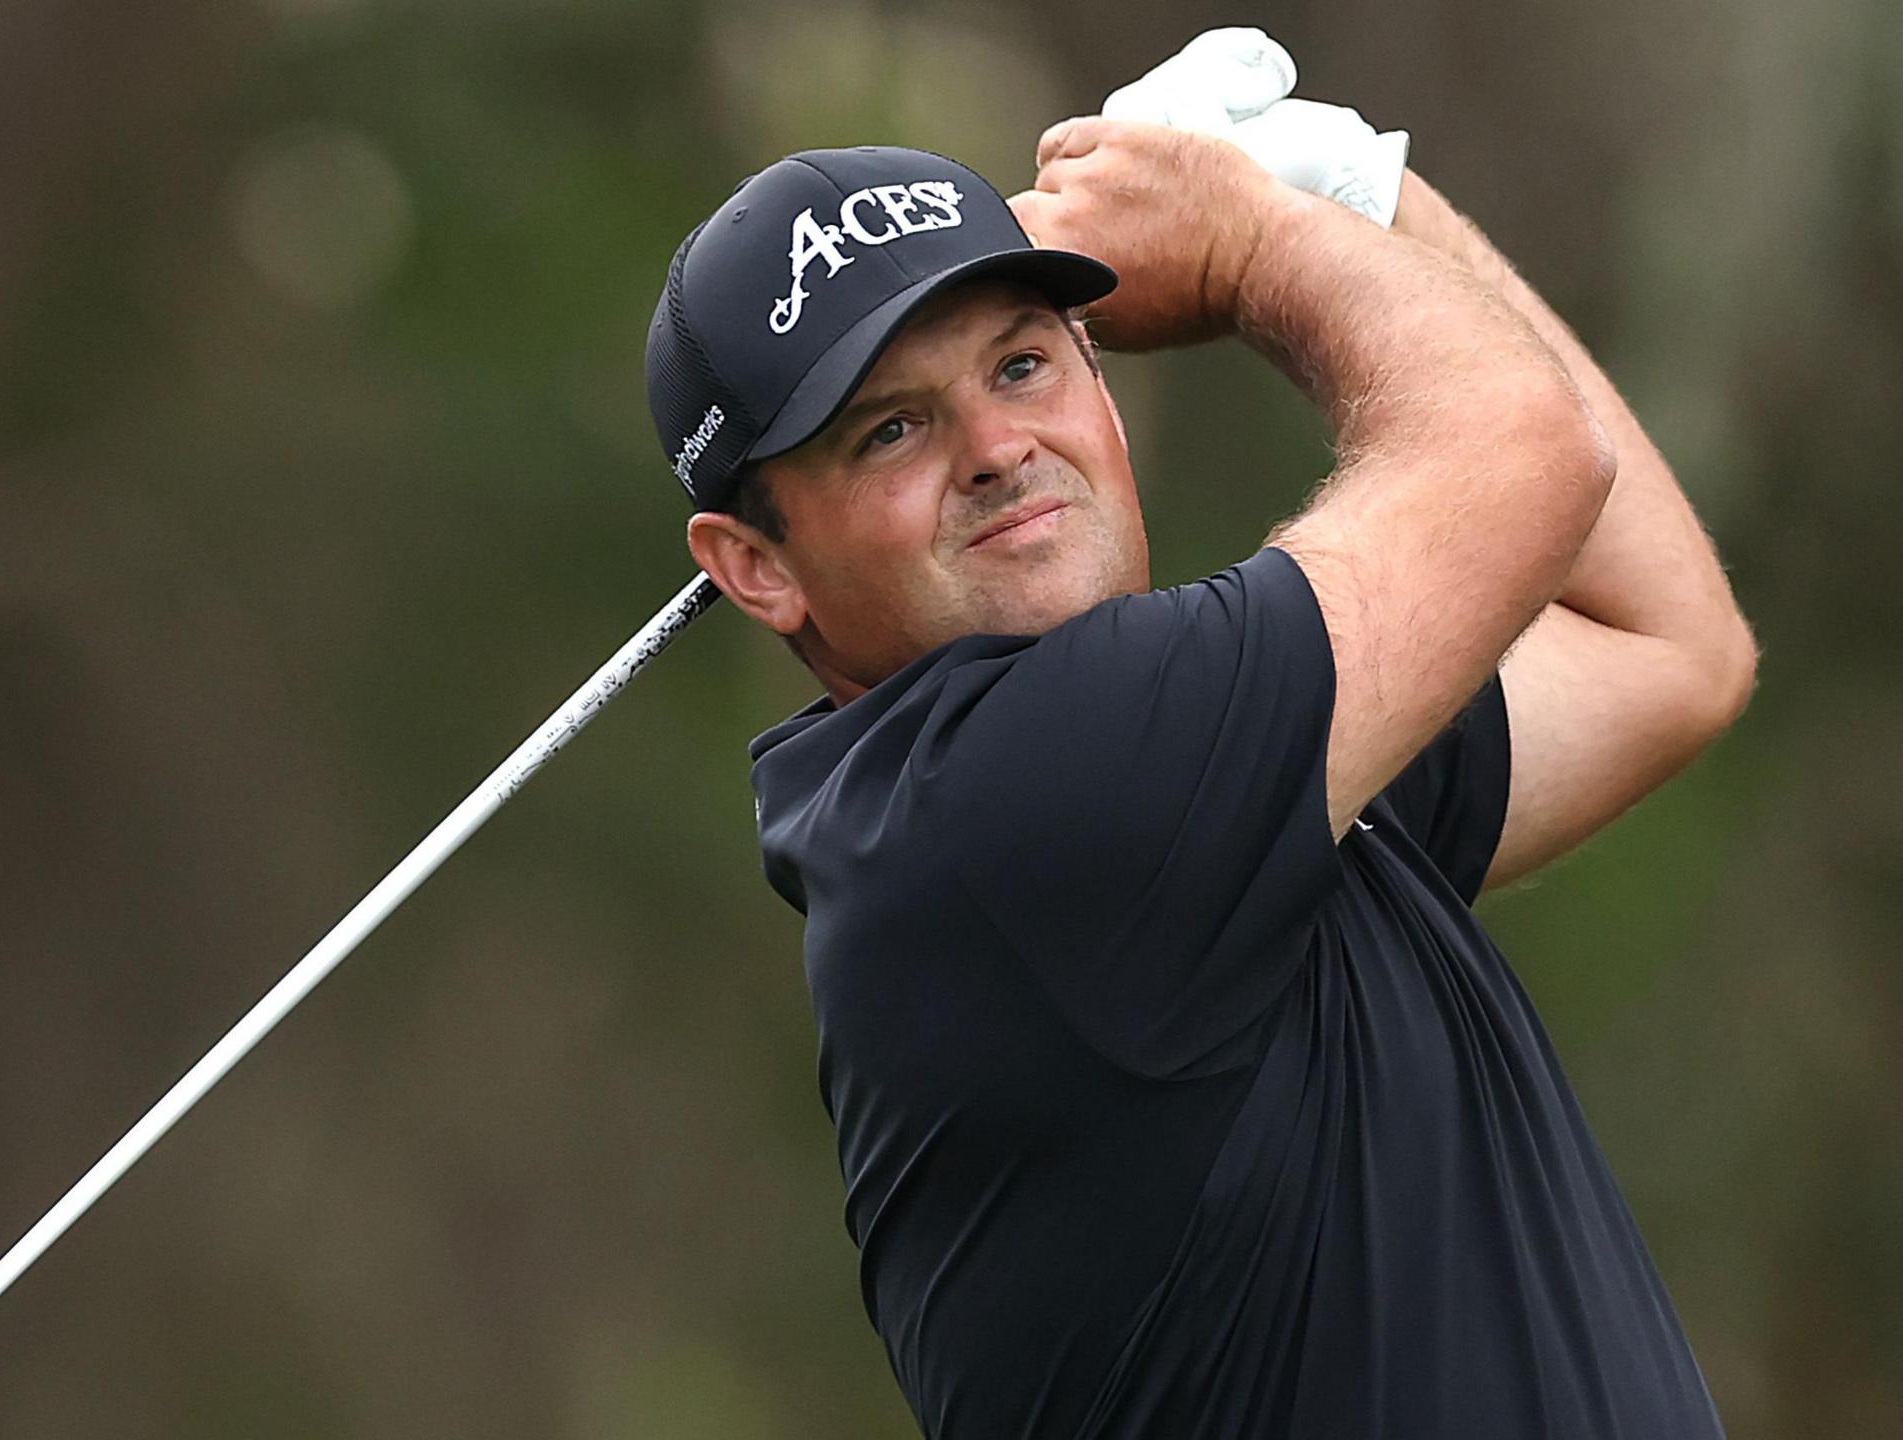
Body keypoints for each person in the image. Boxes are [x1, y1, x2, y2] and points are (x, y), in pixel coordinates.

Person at [639, 98, 1755, 1440]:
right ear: (755, 566)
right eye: (890, 431)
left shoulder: (1212, 785)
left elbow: (1667, 649)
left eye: (1022, 366)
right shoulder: (1019, 802)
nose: (997, 451)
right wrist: (1267, 242)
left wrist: (1356, 201)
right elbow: (1525, 452)